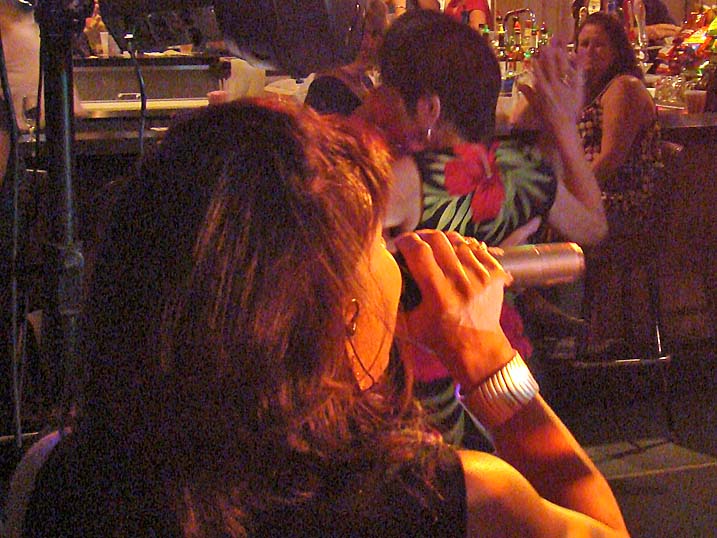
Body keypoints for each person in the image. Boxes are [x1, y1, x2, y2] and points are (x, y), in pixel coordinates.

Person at [14, 97, 629, 537]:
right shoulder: (450, 500)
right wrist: (487, 360)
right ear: (340, 315)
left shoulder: (51, 477)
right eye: (380, 240)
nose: (401, 258)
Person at [355, 10, 606, 448]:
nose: (378, 98)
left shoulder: (409, 179)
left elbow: (334, 249)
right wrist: (563, 125)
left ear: (428, 108)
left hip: (421, 392)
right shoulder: (518, 169)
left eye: (387, 90)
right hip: (501, 366)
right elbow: (593, 225)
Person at [573, 11, 664, 354]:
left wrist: (568, 197)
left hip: (625, 205)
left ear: (617, 51)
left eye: (599, 45)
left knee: (539, 215)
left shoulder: (623, 87)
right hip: (601, 200)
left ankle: (578, 332)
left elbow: (610, 160)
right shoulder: (591, 90)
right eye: (584, 44)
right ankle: (564, 325)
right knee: (532, 207)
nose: (590, 52)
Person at [304, 0, 388, 116]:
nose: (369, 43)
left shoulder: (366, 82)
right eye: (361, 32)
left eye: (375, 34)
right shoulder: (326, 88)